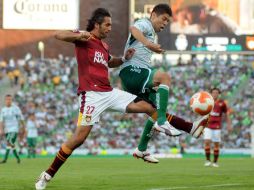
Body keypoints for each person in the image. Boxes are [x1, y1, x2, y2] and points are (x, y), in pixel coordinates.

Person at [35, 8, 177, 190]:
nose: (110, 28)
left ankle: (155, 133)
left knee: (148, 106)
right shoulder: (85, 38)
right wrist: (78, 35)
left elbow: (110, 62)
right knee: (79, 138)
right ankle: (47, 175)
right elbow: (58, 35)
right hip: (91, 95)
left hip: (109, 92)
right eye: (107, 25)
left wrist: (124, 59)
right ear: (97, 24)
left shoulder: (103, 46)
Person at [119, 3, 209, 163]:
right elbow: (133, 29)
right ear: (153, 15)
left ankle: (143, 148)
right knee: (164, 77)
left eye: (168, 21)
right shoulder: (145, 24)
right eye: (164, 19)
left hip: (134, 75)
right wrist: (148, 44)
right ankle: (162, 123)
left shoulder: (151, 33)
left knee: (155, 110)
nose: (165, 24)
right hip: (132, 71)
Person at [204, 87, 232, 167]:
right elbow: (202, 112)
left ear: (218, 94)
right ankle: (208, 160)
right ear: (211, 93)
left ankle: (215, 162)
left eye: (216, 93)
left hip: (217, 126)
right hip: (208, 125)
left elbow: (226, 114)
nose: (215, 94)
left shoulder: (222, 103)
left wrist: (229, 124)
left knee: (216, 144)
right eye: (213, 92)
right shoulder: (207, 102)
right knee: (207, 142)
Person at [0, 94, 25, 164]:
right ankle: (18, 158)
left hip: (14, 129)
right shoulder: (3, 110)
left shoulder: (16, 108)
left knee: (10, 142)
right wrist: (1, 129)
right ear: (5, 100)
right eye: (7, 99)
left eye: (10, 99)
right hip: (7, 130)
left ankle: (5, 159)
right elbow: (1, 120)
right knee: (10, 144)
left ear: (11, 100)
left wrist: (23, 127)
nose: (8, 101)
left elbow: (21, 118)